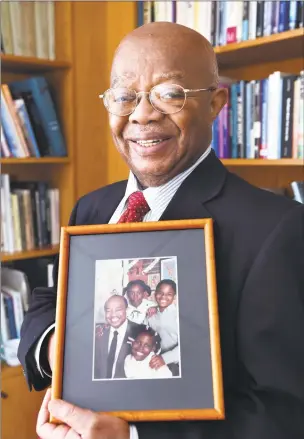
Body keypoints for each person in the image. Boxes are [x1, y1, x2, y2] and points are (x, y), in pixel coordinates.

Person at [18, 21, 304, 439]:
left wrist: (131, 438)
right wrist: (55, 347)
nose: (142, 114)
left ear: (215, 103)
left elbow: (283, 415)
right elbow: (53, 297)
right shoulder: (93, 206)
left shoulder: (277, 230)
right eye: (124, 95)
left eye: (169, 94)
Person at [94, 295, 140, 379]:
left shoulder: (140, 332)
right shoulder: (98, 332)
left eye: (118, 310)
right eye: (108, 311)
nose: (113, 315)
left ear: (127, 310)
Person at [147, 279, 180, 376]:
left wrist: (165, 358)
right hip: (156, 362)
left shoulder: (178, 315)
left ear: (174, 296)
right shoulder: (151, 314)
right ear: (155, 294)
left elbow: (187, 345)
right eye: (160, 293)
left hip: (176, 364)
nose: (163, 297)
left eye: (169, 294)